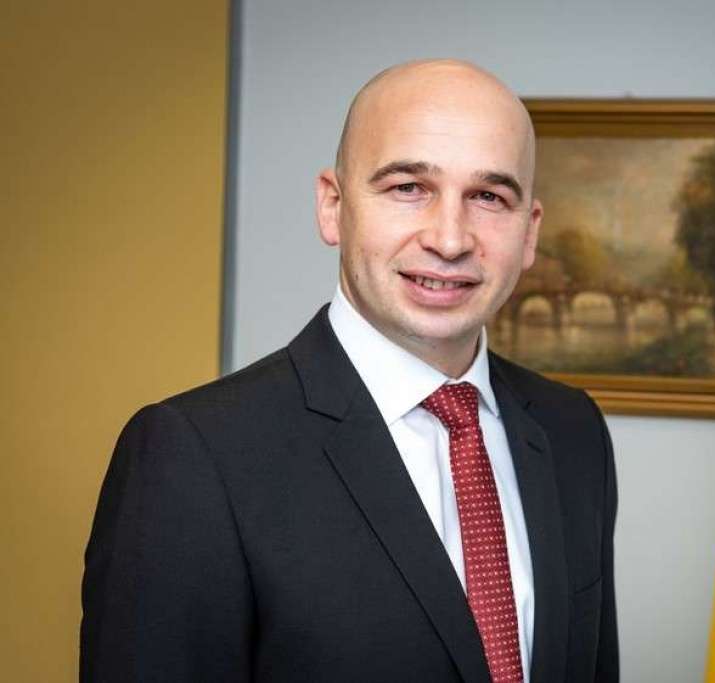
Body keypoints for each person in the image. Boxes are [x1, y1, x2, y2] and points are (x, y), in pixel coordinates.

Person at [81, 59, 618, 683]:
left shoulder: (572, 430)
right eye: (408, 188)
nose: (450, 240)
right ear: (333, 206)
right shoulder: (192, 455)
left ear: (528, 233)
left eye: (488, 197)